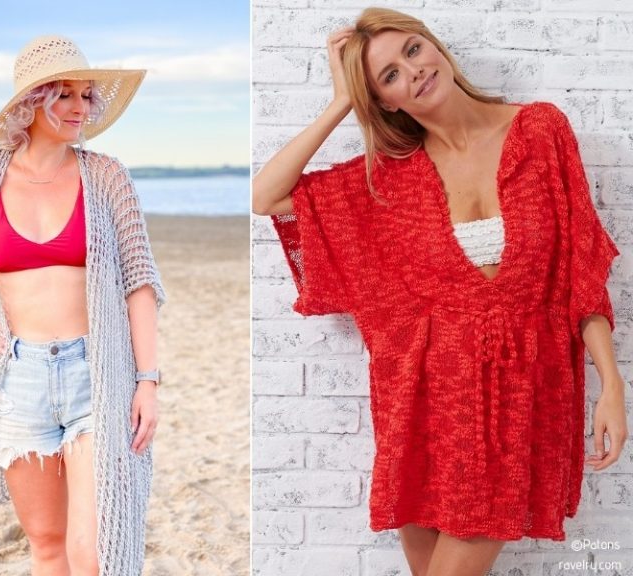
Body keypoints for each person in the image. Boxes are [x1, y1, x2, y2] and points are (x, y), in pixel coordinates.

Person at [252, 8, 627, 576]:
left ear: (434, 45)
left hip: (520, 395)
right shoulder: (389, 176)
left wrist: (612, 385)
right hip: (422, 404)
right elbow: (267, 196)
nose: (413, 71)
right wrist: (339, 103)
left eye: (412, 50)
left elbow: (579, 273)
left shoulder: (541, 130)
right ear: (383, 103)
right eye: (388, 78)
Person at [0, 35, 165, 576]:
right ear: (32, 101)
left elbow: (139, 283)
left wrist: (148, 379)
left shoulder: (106, 176)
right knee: (46, 546)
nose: (79, 107)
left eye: (86, 95)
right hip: (16, 379)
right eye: (63, 94)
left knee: (93, 550)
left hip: (97, 373)